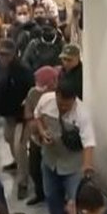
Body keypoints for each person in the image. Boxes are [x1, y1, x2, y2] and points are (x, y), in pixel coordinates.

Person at [35, 76, 95, 214]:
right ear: (56, 95)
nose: (63, 108)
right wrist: (42, 133)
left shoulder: (82, 114)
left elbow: (88, 142)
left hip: (72, 166)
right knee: (51, 197)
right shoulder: (46, 101)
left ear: (74, 100)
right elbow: (37, 116)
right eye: (60, 104)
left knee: (76, 202)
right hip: (50, 161)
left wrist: (87, 166)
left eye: (67, 106)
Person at [0, 39, 34, 200]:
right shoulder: (0, 68)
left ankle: (23, 181)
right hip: (8, 114)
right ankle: (17, 163)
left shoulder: (23, 71)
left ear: (13, 54)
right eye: (0, 53)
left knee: (20, 146)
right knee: (9, 139)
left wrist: (27, 111)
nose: (2, 57)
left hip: (21, 116)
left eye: (5, 54)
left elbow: (31, 92)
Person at [23, 65, 60, 205]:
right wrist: (33, 124)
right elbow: (28, 111)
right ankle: (40, 193)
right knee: (34, 168)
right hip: (36, 138)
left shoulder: (59, 94)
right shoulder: (33, 93)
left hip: (53, 138)